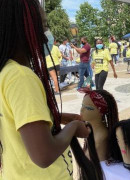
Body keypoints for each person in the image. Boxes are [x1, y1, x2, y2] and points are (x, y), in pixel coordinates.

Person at [0, 0, 103, 179]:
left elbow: (14, 119)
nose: (47, 34)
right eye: (44, 25)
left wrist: (56, 117)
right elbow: (43, 155)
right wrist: (73, 128)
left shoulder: (6, 72)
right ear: (25, 28)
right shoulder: (21, 77)